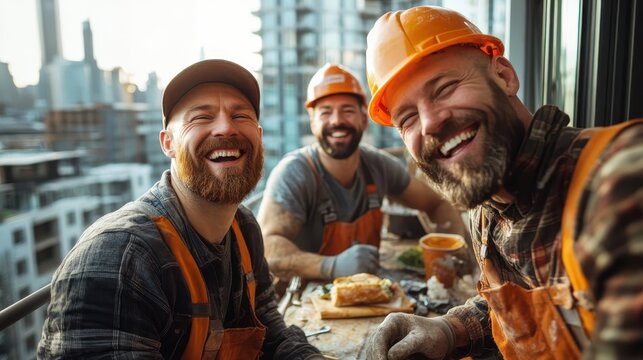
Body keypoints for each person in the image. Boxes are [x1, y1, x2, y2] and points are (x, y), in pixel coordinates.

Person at [363, 5, 643, 360]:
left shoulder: (619, 182)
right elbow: (523, 306)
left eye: (445, 88)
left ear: (504, 77)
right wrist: (450, 329)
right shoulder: (488, 208)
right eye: (408, 118)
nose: (431, 123)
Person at [37, 59, 323, 359]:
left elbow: (272, 336)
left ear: (259, 137)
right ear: (168, 144)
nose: (226, 127)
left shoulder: (244, 229)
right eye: (201, 117)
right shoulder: (122, 258)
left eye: (240, 115)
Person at [257, 63, 468, 281]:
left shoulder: (377, 165)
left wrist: (452, 250)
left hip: (369, 292)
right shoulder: (295, 173)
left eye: (347, 111)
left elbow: (437, 203)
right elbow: (267, 248)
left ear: (364, 119)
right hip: (309, 305)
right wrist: (331, 266)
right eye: (325, 112)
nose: (337, 121)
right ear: (312, 122)